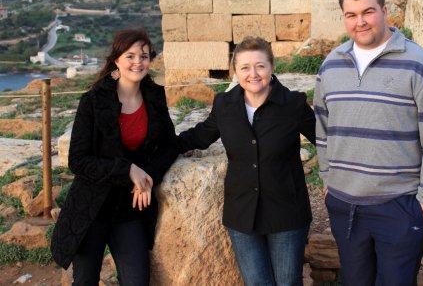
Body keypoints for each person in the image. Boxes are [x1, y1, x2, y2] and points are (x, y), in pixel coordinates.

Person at [313, 0, 423, 285]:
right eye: (351, 15)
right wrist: (327, 181)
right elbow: (322, 129)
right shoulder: (331, 65)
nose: (360, 22)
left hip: (398, 205)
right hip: (344, 204)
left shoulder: (420, 65)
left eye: (368, 12)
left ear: (384, 11)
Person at [178, 36, 315, 286]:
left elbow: (327, 140)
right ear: (235, 71)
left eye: (260, 66)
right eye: (245, 67)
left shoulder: (293, 104)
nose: (253, 74)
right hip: (242, 214)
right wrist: (159, 149)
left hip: (286, 212)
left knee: (288, 283)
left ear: (271, 67)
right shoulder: (224, 105)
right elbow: (200, 136)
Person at [51, 28, 179, 285]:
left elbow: (169, 145)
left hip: (128, 209)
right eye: (130, 56)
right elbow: (77, 160)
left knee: (137, 281)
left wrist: (147, 177)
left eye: (144, 56)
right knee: (85, 281)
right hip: (92, 207)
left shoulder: (154, 96)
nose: (138, 62)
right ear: (116, 60)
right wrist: (128, 169)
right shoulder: (93, 101)